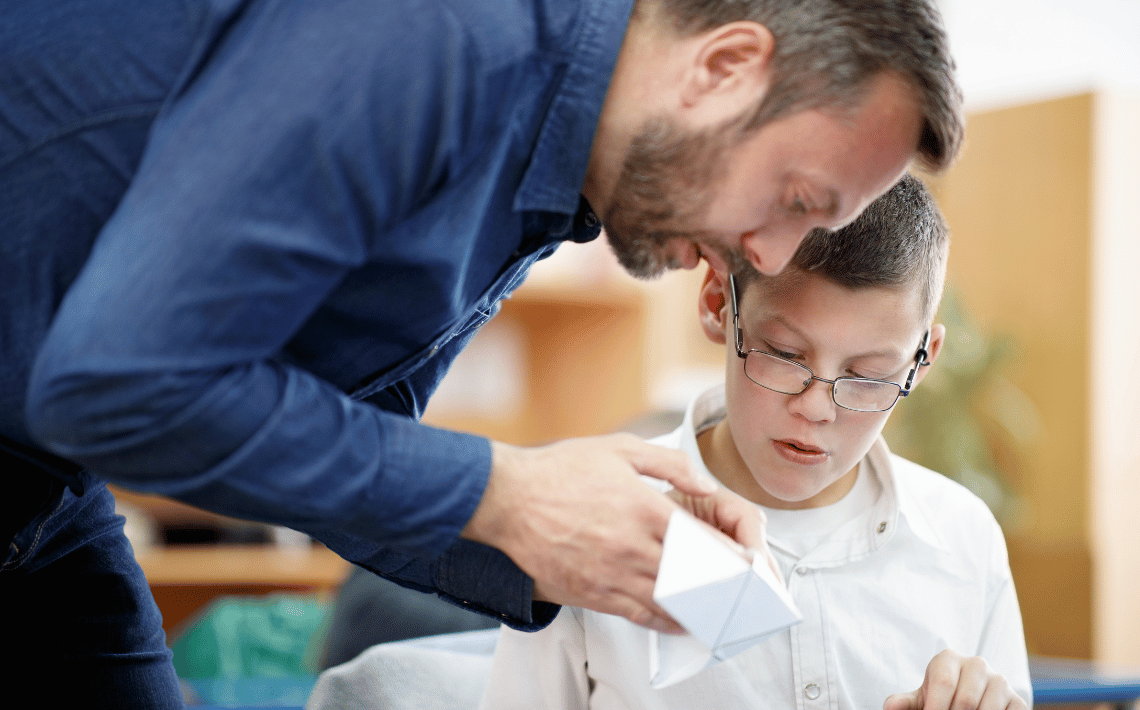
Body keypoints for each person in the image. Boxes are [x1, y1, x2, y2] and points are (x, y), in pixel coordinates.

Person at [1, 0, 962, 703]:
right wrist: (507, 493)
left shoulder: (547, 176)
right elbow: (117, 382)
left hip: (43, 487)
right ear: (723, 67)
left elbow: (339, 452)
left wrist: (555, 539)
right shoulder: (439, 33)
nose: (772, 255)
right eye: (797, 199)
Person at [481, 175, 1032, 710]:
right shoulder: (598, 522)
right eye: (785, 354)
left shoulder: (964, 539)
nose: (816, 407)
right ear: (719, 303)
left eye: (867, 376)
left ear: (923, 358)